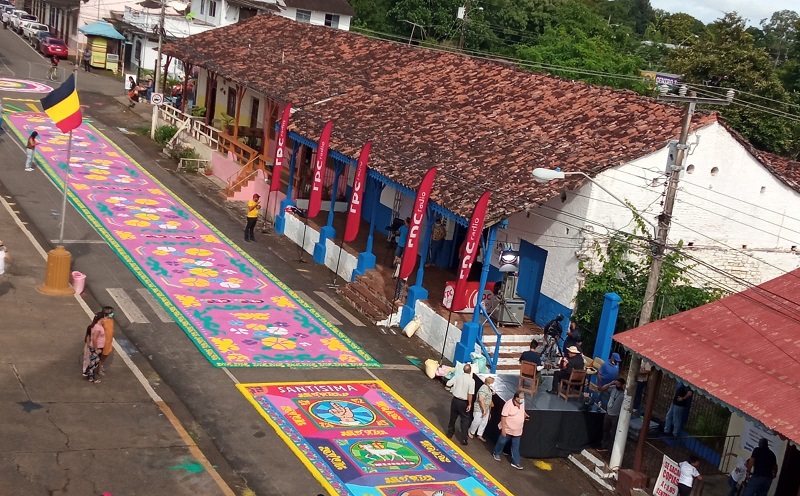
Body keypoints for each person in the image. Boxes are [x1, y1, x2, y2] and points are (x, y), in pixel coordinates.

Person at [491, 389, 529, 470]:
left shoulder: (522, 402)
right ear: (516, 398)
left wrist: (524, 415)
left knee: (516, 446)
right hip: (508, 429)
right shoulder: (508, 404)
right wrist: (503, 430)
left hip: (518, 430)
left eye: (523, 398)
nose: (522, 400)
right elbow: (503, 417)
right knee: (502, 442)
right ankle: (496, 453)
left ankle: (516, 462)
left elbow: (522, 410)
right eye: (521, 398)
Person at [445, 363, 475, 446]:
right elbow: (470, 394)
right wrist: (469, 404)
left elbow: (448, 384)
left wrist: (449, 388)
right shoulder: (471, 381)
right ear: (470, 371)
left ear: (463, 370)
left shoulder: (457, 377)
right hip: (464, 402)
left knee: (453, 417)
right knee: (465, 420)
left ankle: (450, 433)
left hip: (455, 400)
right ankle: (464, 438)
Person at [599, 377, 625, 450]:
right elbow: (603, 388)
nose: (618, 385)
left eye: (619, 384)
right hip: (608, 413)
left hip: (616, 416)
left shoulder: (623, 394)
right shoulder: (613, 388)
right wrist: (611, 383)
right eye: (617, 383)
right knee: (605, 430)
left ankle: (611, 448)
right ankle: (604, 445)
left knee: (613, 433)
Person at [468, 376, 494, 442]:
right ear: (489, 383)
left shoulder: (488, 388)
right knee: (477, 421)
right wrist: (484, 409)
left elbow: (489, 399)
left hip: (486, 408)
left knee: (484, 422)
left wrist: (488, 410)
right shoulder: (483, 388)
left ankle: (480, 434)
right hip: (480, 408)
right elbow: (481, 399)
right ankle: (471, 431)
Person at [82, 312, 107, 383]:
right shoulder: (98, 328)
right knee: (94, 362)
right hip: (97, 347)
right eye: (104, 317)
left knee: (95, 361)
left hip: (97, 347)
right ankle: (90, 376)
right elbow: (94, 338)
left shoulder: (96, 326)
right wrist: (96, 349)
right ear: (101, 319)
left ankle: (88, 374)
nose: (105, 319)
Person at [97, 306, 115, 375]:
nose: (112, 314)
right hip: (103, 342)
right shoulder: (102, 321)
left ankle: (100, 365)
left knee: (106, 354)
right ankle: (99, 369)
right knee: (101, 356)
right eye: (111, 313)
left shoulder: (111, 320)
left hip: (109, 341)